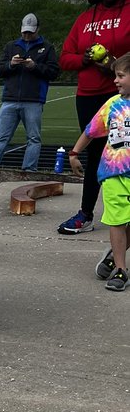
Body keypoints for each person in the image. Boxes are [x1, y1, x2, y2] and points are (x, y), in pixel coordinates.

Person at [55, 0, 130, 234]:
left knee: (123, 155)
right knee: (96, 155)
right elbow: (65, 58)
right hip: (88, 95)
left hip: (121, 95)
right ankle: (86, 214)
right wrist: (85, 60)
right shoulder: (86, 17)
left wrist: (115, 65)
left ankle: (121, 214)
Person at [68, 54, 130, 290]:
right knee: (117, 220)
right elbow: (91, 130)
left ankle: (115, 255)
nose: (115, 80)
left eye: (121, 76)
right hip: (114, 171)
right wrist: (74, 154)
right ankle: (121, 270)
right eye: (115, 75)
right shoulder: (112, 104)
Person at [0, 13, 59, 171]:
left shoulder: (47, 47)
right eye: (25, 32)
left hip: (34, 100)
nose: (27, 35)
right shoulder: (11, 46)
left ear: (37, 29)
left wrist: (35, 67)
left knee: (33, 138)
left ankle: (29, 170)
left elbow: (53, 72)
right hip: (10, 99)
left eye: (30, 32)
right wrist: (11, 64)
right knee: (1, 137)